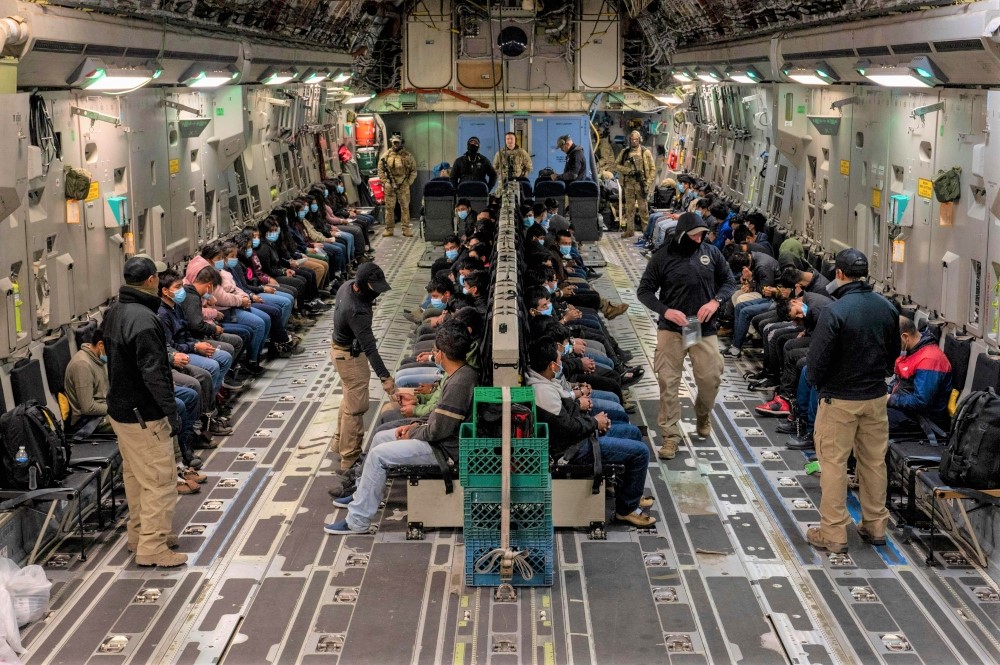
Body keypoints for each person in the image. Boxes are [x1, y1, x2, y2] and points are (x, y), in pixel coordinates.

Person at [325, 321, 478, 535]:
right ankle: (363, 495)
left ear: (441, 354)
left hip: (445, 450)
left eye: (435, 351)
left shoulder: (460, 383)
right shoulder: (461, 374)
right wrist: (416, 425)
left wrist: (412, 431)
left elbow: (438, 431)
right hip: (439, 438)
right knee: (380, 439)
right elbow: (437, 421)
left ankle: (357, 521)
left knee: (378, 455)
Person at [805, 248, 900, 554]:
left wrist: (819, 385)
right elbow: (893, 357)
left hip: (840, 400)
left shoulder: (835, 311)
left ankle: (833, 533)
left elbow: (816, 363)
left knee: (833, 464)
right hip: (875, 398)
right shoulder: (887, 308)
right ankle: (875, 526)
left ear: (840, 274)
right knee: (873, 463)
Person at [102, 256, 186, 568]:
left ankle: (140, 535)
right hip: (143, 415)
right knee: (160, 480)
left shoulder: (115, 312)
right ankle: (153, 548)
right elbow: (154, 373)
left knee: (136, 478)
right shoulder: (145, 320)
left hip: (121, 411)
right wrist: (170, 412)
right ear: (151, 280)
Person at [637, 212, 737, 460]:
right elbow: (645, 291)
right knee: (668, 382)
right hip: (672, 329)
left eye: (702, 235)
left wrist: (715, 302)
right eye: (695, 235)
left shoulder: (711, 253)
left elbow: (729, 282)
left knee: (709, 378)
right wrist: (666, 311)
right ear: (682, 234)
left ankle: (703, 414)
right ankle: (670, 436)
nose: (699, 239)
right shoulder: (662, 257)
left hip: (699, 327)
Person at [526, 337, 655, 527]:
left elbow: (566, 416)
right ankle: (626, 509)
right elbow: (567, 428)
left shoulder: (544, 380)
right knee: (641, 452)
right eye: (560, 361)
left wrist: (590, 417)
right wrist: (594, 423)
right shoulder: (542, 392)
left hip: (577, 436)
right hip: (573, 449)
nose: (562, 364)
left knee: (632, 433)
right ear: (552, 366)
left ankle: (628, 492)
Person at [330, 262, 397, 476]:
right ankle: (349, 460)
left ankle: (338, 444)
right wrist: (385, 377)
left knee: (349, 398)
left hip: (340, 350)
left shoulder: (347, 285)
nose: (376, 294)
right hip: (349, 356)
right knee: (356, 407)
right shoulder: (356, 311)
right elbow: (370, 348)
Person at [888, 316, 952, 433]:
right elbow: (899, 382)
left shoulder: (929, 360)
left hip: (923, 420)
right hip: (906, 410)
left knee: (870, 422)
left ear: (905, 337)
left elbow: (921, 402)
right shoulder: (911, 351)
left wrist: (890, 399)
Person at [64, 328, 112, 434]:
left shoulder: (98, 358)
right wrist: (115, 408)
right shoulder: (82, 365)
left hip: (104, 409)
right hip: (89, 421)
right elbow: (88, 408)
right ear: (100, 345)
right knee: (132, 422)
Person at [616, 130, 655, 239]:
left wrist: (648, 183)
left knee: (643, 209)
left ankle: (646, 232)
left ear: (640, 140)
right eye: (632, 139)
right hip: (628, 184)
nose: (634, 141)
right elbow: (616, 165)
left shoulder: (645, 152)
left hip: (641, 184)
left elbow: (652, 169)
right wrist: (628, 171)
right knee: (629, 209)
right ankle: (630, 230)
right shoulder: (625, 152)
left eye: (636, 139)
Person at [376, 135, 417, 237]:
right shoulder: (386, 156)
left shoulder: (407, 156)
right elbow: (380, 170)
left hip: (403, 184)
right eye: (394, 142)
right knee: (389, 208)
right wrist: (385, 182)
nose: (395, 144)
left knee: (405, 207)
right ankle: (389, 229)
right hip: (390, 185)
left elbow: (413, 171)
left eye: (397, 142)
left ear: (401, 143)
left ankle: (406, 228)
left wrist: (408, 182)